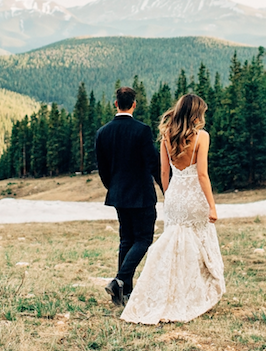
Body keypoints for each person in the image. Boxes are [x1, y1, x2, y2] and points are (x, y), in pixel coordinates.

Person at [121, 93, 225, 324]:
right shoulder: (201, 137)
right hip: (194, 195)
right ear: (196, 113)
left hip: (175, 195)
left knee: (174, 244)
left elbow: (164, 172)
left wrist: (170, 196)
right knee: (197, 245)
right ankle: (193, 294)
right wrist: (212, 205)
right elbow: (202, 174)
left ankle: (166, 292)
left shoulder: (167, 135)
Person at [95, 86, 162, 307]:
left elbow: (103, 168)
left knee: (126, 240)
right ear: (134, 104)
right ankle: (120, 281)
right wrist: (166, 188)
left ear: (116, 104)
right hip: (141, 194)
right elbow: (153, 163)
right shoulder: (141, 130)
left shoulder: (102, 132)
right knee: (143, 239)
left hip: (118, 194)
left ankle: (124, 293)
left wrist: (112, 187)